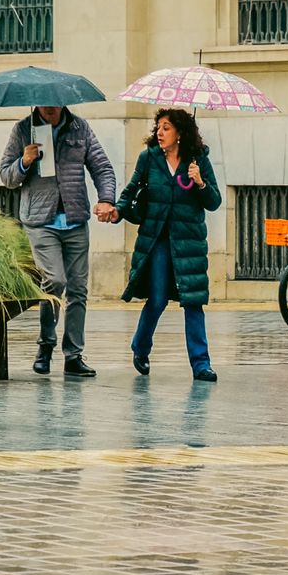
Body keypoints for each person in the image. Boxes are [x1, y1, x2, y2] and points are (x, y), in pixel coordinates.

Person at [0, 104, 119, 378]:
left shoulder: (80, 128)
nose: (51, 108)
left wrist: (106, 199)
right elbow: (7, 177)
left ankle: (73, 356)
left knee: (78, 289)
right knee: (55, 281)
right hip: (41, 221)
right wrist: (24, 161)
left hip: (75, 219)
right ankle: (45, 346)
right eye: (45, 104)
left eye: (55, 103)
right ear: (37, 104)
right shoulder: (22, 130)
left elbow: (103, 168)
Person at [117, 108, 223, 382]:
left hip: (189, 241)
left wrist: (200, 182)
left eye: (166, 128)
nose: (160, 133)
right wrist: (116, 210)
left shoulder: (198, 160)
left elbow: (214, 202)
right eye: (158, 128)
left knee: (193, 301)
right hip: (158, 239)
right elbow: (130, 192)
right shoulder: (149, 158)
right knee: (158, 298)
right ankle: (140, 347)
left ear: (180, 133)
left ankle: (201, 364)